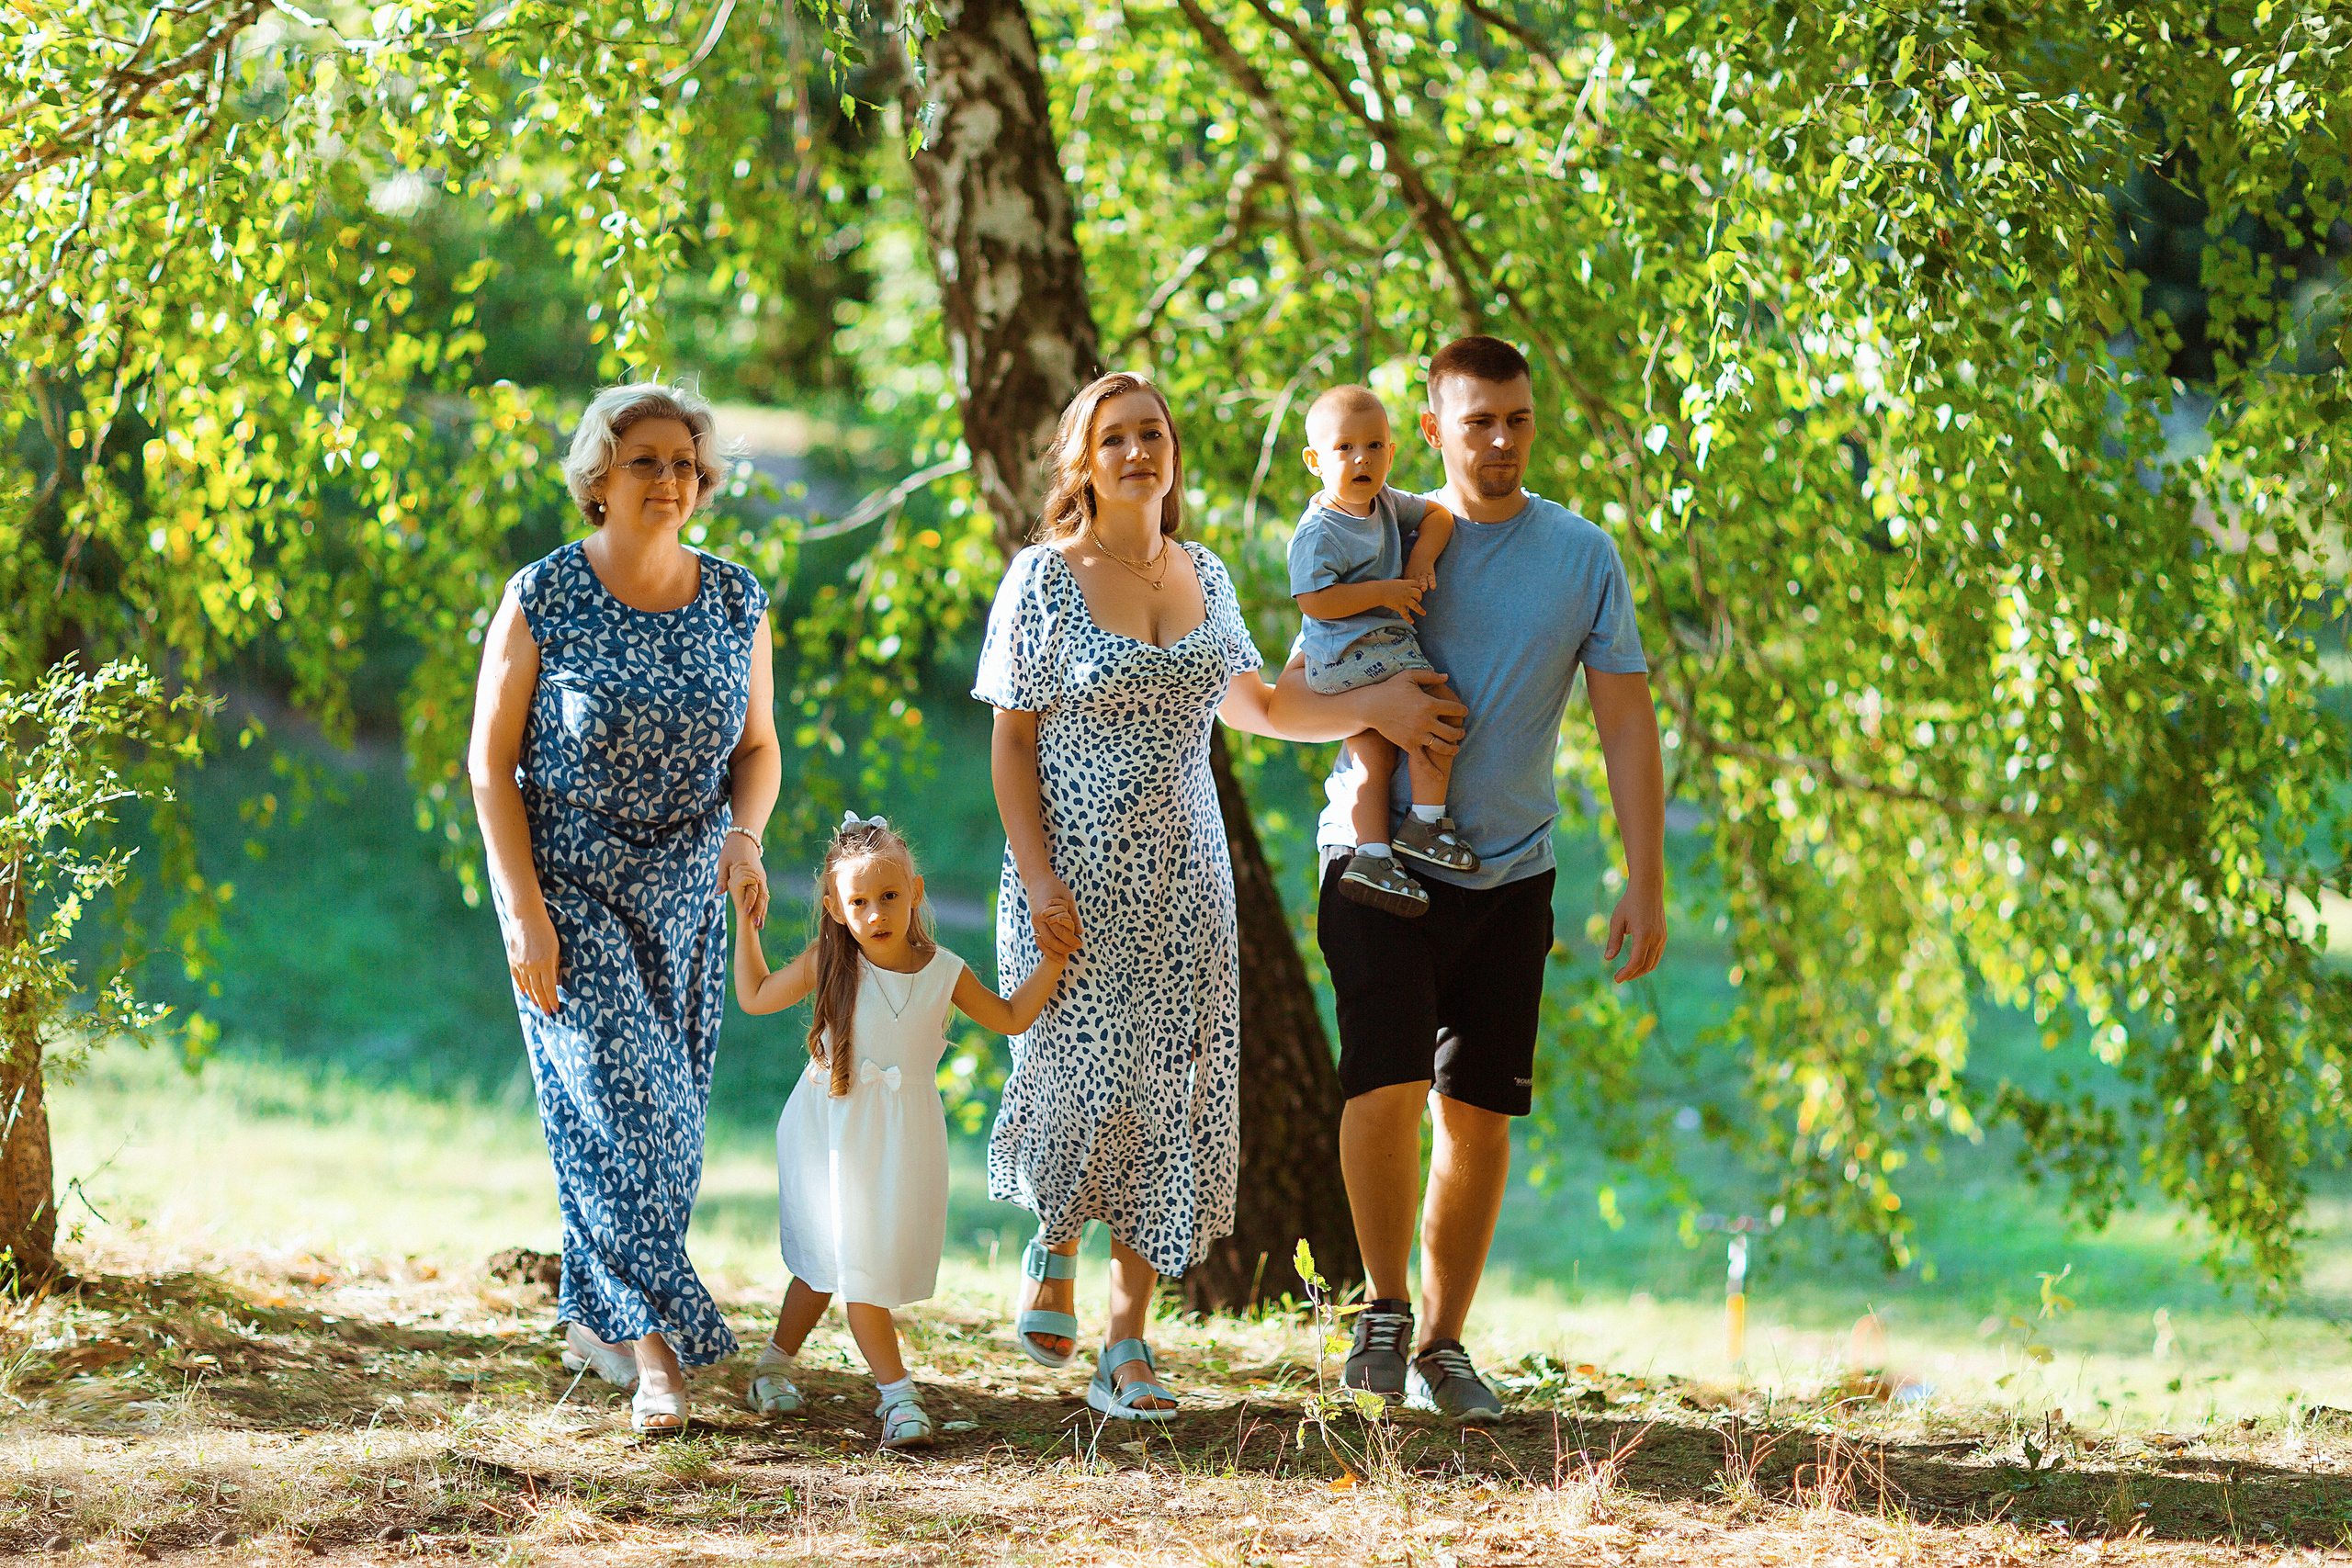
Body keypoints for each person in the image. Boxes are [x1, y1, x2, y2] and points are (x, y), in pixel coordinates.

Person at [972, 371, 1461, 1421]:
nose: (1137, 452)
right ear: (1084, 461)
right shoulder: (1043, 578)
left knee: (1168, 1095)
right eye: (1115, 439)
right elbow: (1011, 741)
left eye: (1153, 434)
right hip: (1074, 875)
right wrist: (1041, 871)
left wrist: (1377, 700)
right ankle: (1052, 1238)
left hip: (1186, 881)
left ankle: (1129, 1343)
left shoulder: (1204, 573)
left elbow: (1265, 706)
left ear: (1172, 457)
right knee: (1071, 1072)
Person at [1279, 336, 1668, 1423]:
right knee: (1386, 1080)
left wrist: (1646, 876)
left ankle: (1444, 1345)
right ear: (1435, 429)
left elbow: (1626, 722)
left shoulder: (1581, 553)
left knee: (1479, 1112)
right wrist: (1384, 714)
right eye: (1477, 422)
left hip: (1510, 874)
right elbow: (1290, 694)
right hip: (1375, 859)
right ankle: (1384, 1308)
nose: (1499, 442)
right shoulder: (1368, 526)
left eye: (1517, 421)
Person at [466, 381, 781, 1437]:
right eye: (645, 460)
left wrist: (747, 832)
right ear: (598, 477)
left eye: (685, 463)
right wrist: (523, 911)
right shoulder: (545, 593)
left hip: (689, 893)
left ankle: (596, 1319)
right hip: (573, 890)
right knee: (616, 1106)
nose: (669, 480)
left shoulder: (737, 599)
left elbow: (758, 748)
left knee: (661, 1136)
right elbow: (487, 766)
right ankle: (661, 1360)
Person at [724, 814, 1069, 1450]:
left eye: (889, 895)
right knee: (853, 1273)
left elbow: (1014, 1016)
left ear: (914, 891)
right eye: (858, 901)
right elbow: (755, 994)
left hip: (902, 1139)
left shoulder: (944, 970)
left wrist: (1053, 961)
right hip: (831, 1131)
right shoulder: (832, 959)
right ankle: (898, 1397)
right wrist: (744, 925)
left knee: (832, 1269)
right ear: (835, 906)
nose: (876, 912)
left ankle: (771, 1364)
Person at [1288, 383, 1476, 918]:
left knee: (1374, 751)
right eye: (1344, 448)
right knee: (1436, 712)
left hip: (1380, 645)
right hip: (1348, 650)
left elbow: (1438, 518)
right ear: (1315, 460)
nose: (1361, 459)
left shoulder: (1387, 503)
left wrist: (1421, 564)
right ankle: (1425, 821)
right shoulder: (1319, 530)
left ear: (1391, 454)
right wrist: (1384, 593)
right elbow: (1313, 599)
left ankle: (1373, 854)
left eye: (1374, 447)